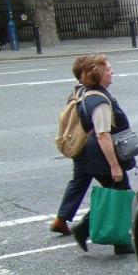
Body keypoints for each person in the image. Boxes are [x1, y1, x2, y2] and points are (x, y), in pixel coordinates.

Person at [67, 55, 135, 255]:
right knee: (120, 192)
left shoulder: (86, 92)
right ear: (98, 75)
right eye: (108, 69)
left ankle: (92, 231)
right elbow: (103, 135)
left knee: (115, 191)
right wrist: (114, 166)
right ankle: (116, 241)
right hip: (101, 156)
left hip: (91, 154)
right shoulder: (100, 102)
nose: (111, 72)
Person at [51, 55, 90, 236]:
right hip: (89, 146)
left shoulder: (75, 92)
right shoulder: (88, 94)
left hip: (77, 144)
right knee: (116, 187)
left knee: (79, 181)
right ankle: (86, 226)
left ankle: (61, 219)